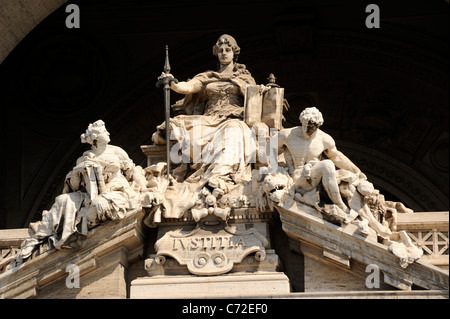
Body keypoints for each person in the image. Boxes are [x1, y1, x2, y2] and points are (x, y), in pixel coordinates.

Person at [15, 120, 147, 263]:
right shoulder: (84, 158)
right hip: (89, 193)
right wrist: (80, 172)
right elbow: (75, 185)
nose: (108, 133)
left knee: (98, 204)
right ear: (96, 137)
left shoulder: (117, 151)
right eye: (104, 131)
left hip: (116, 190)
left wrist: (144, 190)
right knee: (62, 200)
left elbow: (132, 172)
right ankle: (37, 239)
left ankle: (77, 229)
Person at [277, 107, 366, 215]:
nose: (306, 130)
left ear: (317, 126)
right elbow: (267, 151)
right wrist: (275, 170)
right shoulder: (288, 135)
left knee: (335, 169)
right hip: (295, 179)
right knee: (327, 165)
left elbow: (337, 157)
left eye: (310, 127)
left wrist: (357, 171)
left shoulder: (324, 139)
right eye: (304, 125)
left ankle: (340, 204)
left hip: (313, 178)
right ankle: (340, 206)